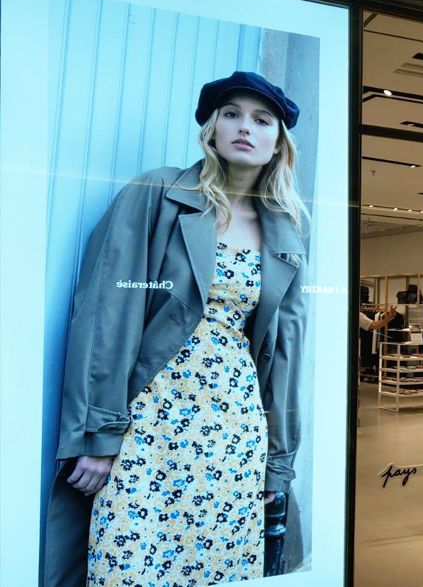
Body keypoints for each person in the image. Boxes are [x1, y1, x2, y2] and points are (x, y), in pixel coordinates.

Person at [43, 72, 310, 587]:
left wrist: (278, 463)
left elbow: (287, 351)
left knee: (216, 564)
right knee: (129, 563)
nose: (244, 128)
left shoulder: (288, 229)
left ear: (279, 143)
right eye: (230, 114)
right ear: (210, 128)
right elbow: (106, 312)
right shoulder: (160, 192)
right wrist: (96, 432)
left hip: (235, 426)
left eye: (261, 120)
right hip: (148, 417)